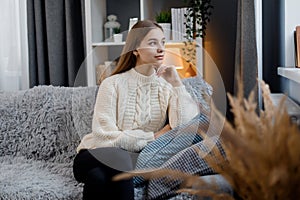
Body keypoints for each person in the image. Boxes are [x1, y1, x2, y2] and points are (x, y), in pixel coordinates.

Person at [73, 20, 199, 200]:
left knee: (98, 178)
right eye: (152, 43)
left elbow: (182, 125)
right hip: (93, 154)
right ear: (135, 49)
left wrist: (177, 84)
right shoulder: (112, 83)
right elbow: (103, 136)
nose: (161, 48)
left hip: (124, 162)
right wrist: (152, 137)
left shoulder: (166, 86)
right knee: (121, 158)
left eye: (163, 42)